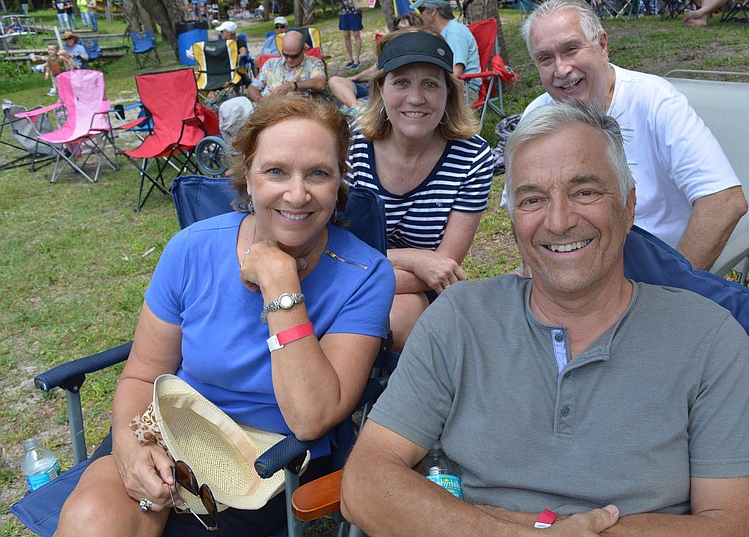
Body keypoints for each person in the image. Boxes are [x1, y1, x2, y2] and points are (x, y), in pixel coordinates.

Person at [340, 100, 749, 536]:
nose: (560, 221)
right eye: (533, 199)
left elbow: (732, 526)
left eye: (585, 191)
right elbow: (364, 483)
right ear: (513, 221)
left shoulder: (708, 339)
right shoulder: (458, 317)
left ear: (628, 205)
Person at [54, 98, 396, 537]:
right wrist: (129, 447)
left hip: (271, 462)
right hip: (170, 428)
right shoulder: (191, 249)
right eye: (275, 171)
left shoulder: (365, 275)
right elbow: (141, 377)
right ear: (248, 177)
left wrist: (281, 285)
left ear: (338, 183)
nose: (297, 193)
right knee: (90, 521)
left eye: (318, 173)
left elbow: (311, 417)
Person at [505, 0, 746, 271]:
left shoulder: (654, 100)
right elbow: (519, 207)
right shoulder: (538, 114)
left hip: (655, 272)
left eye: (571, 49)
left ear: (602, 44)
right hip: (575, 274)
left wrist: (676, 288)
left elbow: (724, 201)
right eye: (546, 58)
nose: (561, 69)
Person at [347, 29, 494, 350]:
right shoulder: (350, 144)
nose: (416, 98)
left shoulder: (472, 158)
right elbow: (324, 245)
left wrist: (355, 271)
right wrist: (411, 258)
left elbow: (443, 268)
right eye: (401, 82)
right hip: (340, 273)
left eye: (430, 83)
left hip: (408, 285)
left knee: (398, 318)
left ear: (449, 93)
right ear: (380, 89)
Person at [328, 12, 423, 115]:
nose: (400, 33)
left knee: (345, 105)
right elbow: (371, 71)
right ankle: (355, 106)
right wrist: (354, 78)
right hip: (371, 89)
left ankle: (355, 107)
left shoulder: (417, 53)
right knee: (335, 81)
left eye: (405, 30)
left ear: (416, 31)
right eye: (398, 29)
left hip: (383, 94)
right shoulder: (391, 49)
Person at [410, 0, 482, 97]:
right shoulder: (444, 32)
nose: (419, 15)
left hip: (464, 90)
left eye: (421, 9)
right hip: (450, 86)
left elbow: (455, 72)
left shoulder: (454, 33)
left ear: (433, 11)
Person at [247, 29, 327, 102]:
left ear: (304, 49)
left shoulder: (313, 63)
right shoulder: (271, 64)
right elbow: (252, 88)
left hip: (296, 111)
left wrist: (292, 86)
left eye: (294, 56)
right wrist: (260, 100)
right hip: (267, 108)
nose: (289, 59)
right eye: (285, 55)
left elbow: (320, 83)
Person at [337, 0, 365, 68]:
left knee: (356, 34)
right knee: (346, 35)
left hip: (355, 11)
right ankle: (350, 58)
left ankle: (357, 59)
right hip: (344, 11)